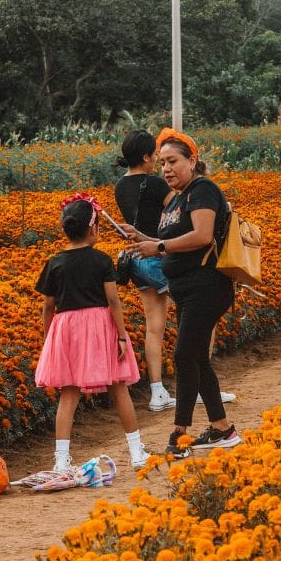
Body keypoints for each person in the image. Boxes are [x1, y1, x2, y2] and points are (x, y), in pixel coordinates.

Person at [120, 128, 241, 458]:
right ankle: (222, 429)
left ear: (192, 160)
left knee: (185, 356)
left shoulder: (202, 190)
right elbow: (174, 245)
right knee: (197, 358)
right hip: (186, 290)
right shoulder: (177, 199)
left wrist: (157, 244)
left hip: (208, 287)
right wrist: (143, 238)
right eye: (161, 164)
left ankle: (179, 437)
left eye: (173, 161)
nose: (166, 169)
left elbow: (202, 236)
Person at [34, 193, 149, 473]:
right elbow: (113, 301)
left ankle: (61, 460)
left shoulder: (55, 263)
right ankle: (136, 451)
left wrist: (50, 339)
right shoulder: (101, 260)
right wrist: (122, 335)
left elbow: (48, 307)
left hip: (67, 328)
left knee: (69, 393)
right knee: (118, 387)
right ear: (93, 228)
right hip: (100, 326)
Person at [114, 129, 177, 412]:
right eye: (155, 155)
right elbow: (178, 215)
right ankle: (200, 383)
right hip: (158, 255)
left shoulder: (119, 186)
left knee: (154, 328)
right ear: (146, 157)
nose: (158, 161)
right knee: (199, 312)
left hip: (136, 261)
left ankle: (157, 391)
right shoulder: (155, 184)